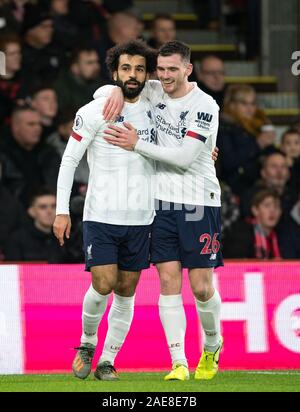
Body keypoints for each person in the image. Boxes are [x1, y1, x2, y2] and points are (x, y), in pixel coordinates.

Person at [101, 40, 223, 381]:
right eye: (161, 70)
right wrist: (112, 89)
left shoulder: (204, 105)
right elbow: (121, 84)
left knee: (200, 287)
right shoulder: (155, 90)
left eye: (173, 69)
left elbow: (185, 159)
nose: (165, 76)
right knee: (168, 282)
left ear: (188, 69)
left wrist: (137, 143)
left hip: (199, 202)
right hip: (159, 204)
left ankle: (212, 345)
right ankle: (179, 363)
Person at [53, 40, 157, 381]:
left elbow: (182, 88)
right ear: (115, 71)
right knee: (103, 282)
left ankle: (107, 361)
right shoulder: (94, 110)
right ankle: (86, 342)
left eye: (139, 69)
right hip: (101, 215)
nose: (132, 75)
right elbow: (70, 160)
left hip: (141, 218)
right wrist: (61, 210)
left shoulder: (158, 108)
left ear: (146, 74)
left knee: (127, 290)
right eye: (125, 69)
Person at [0, 105, 61, 208]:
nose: (37, 128)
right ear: (15, 126)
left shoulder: (49, 153)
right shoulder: (3, 155)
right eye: (31, 124)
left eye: (39, 124)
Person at [4, 187, 67, 262]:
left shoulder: (66, 237)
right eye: (43, 207)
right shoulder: (17, 239)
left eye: (54, 206)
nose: (49, 211)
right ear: (31, 211)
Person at [222, 189, 282, 259]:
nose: (272, 210)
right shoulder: (241, 233)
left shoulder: (283, 235)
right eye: (267, 205)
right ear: (255, 210)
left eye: (276, 206)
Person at [54, 47, 106, 111]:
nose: (96, 66)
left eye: (97, 61)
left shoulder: (101, 84)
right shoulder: (62, 87)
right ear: (75, 67)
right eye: (89, 63)